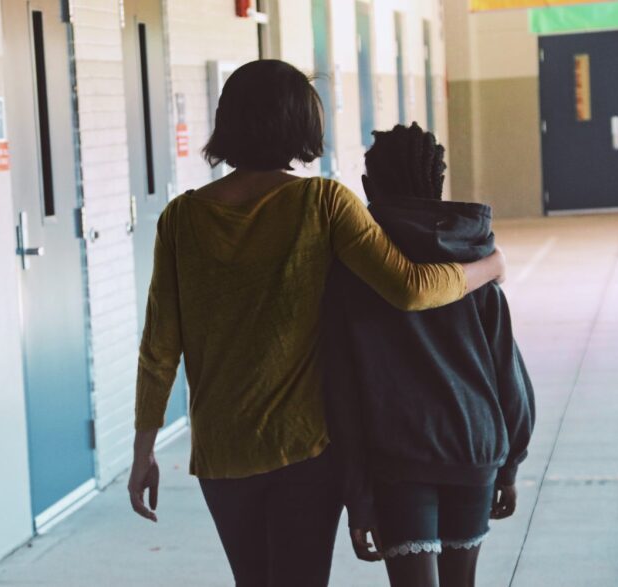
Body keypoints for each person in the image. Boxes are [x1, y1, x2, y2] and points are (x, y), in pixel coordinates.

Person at [127, 61, 506, 587]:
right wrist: (487, 267)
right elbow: (411, 288)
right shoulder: (323, 203)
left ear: (228, 122)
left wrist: (144, 451)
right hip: (303, 452)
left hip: (221, 451)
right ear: (301, 126)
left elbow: (158, 349)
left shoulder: (181, 218)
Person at [323, 123, 535, 587]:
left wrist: (358, 498)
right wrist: (510, 463)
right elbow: (508, 374)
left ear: (367, 188)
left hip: (397, 460)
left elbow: (341, 391)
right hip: (473, 448)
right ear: (438, 184)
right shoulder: (475, 262)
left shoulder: (353, 270)